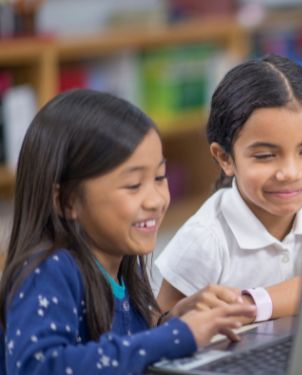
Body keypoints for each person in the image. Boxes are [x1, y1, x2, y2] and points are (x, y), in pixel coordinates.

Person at [0, 89, 256, 374]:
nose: (156, 200)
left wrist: (170, 322)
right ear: (66, 201)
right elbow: (37, 367)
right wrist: (176, 336)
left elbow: (117, 350)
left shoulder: (118, 265)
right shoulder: (48, 269)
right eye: (133, 185)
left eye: (159, 177)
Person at [156, 55, 302, 325]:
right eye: (266, 156)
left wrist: (246, 306)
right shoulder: (204, 239)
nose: (291, 173)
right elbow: (158, 323)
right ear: (224, 158)